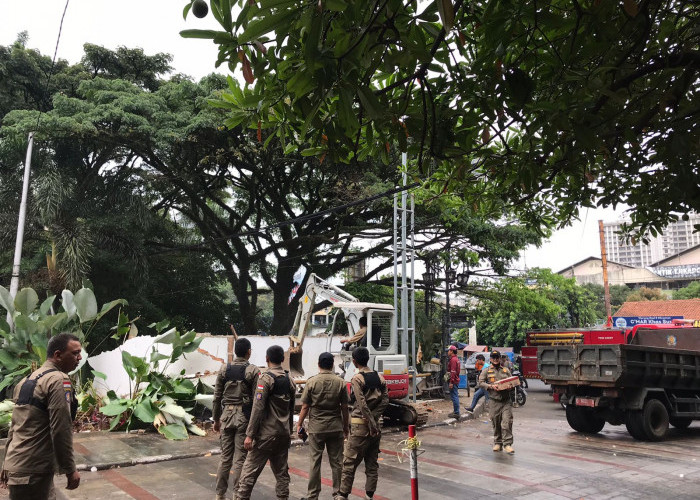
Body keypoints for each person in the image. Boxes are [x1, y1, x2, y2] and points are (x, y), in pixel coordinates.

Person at [1, 333, 82, 499]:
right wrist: (70, 469)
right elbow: (61, 428)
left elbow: (15, 426)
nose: (79, 357)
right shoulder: (60, 380)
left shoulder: (26, 380)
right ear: (58, 355)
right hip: (34, 471)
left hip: (18, 467)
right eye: (75, 353)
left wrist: (6, 464)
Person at [236, 345, 296, 500]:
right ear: (283, 359)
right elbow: (291, 409)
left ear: (267, 359)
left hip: (266, 435)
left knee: (248, 475)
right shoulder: (290, 380)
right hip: (283, 434)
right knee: (282, 474)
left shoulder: (265, 379)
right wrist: (289, 432)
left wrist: (250, 435)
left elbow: (258, 408)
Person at [336, 347, 389, 500]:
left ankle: (343, 494)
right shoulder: (380, 378)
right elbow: (385, 400)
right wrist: (375, 419)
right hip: (376, 427)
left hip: (361, 426)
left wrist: (370, 422)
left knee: (349, 462)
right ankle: (369, 495)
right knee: (372, 463)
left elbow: (361, 404)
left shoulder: (357, 379)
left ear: (354, 361)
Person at [297, 352, 350, 500]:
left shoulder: (312, 382)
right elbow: (344, 408)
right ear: (332, 365)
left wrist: (299, 424)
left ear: (318, 364)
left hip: (317, 428)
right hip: (335, 427)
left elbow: (305, 407)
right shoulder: (340, 382)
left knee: (315, 461)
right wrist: (346, 427)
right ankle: (338, 494)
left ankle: (312, 496)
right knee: (337, 462)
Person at [212, 337, 260, 500]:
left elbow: (217, 397)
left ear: (235, 352)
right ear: (248, 352)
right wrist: (254, 429)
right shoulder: (253, 371)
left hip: (226, 416)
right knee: (240, 459)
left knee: (225, 457)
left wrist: (216, 419)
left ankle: (219, 495)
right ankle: (237, 495)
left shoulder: (224, 369)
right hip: (243, 417)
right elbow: (256, 401)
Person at [478, 350, 515, 454]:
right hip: (494, 401)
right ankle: (498, 442)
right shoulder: (486, 371)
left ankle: (507, 444)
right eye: (493, 357)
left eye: (497, 357)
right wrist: (490, 386)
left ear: (500, 358)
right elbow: (480, 382)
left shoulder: (506, 370)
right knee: (496, 422)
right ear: (490, 359)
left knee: (507, 422)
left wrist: (510, 387)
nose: (495, 359)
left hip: (506, 401)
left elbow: (512, 382)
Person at [447, 345, 461, 419]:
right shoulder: (456, 359)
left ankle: (456, 412)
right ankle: (456, 411)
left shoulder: (453, 360)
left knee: (454, 396)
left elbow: (453, 371)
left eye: (449, 350)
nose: (448, 352)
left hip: (454, 380)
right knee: (455, 396)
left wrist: (451, 382)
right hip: (456, 379)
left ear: (451, 351)